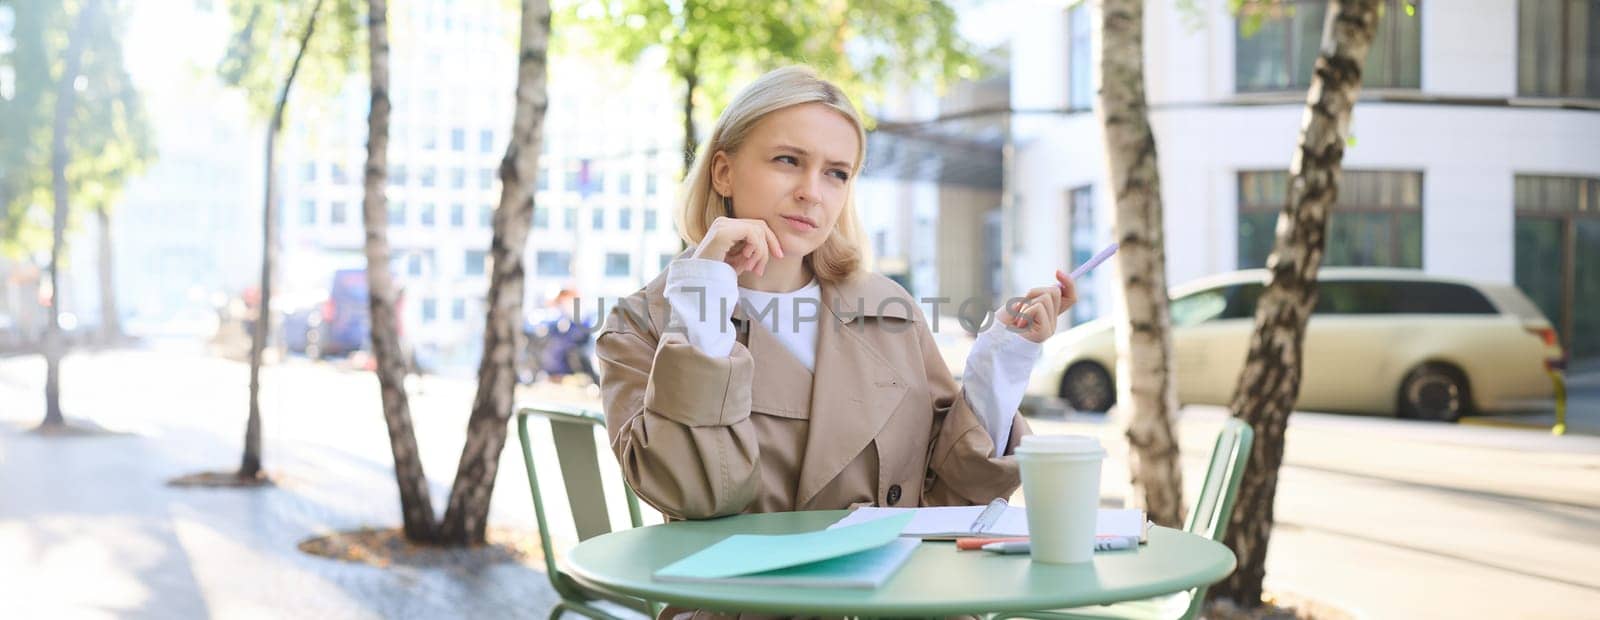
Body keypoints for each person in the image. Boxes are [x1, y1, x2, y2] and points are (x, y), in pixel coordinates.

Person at [596, 66, 1076, 529]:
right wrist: (703, 300)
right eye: (788, 160)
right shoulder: (643, 323)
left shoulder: (890, 309)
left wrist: (1003, 358)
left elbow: (951, 498)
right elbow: (694, 494)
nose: (812, 192)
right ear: (723, 172)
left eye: (837, 173)